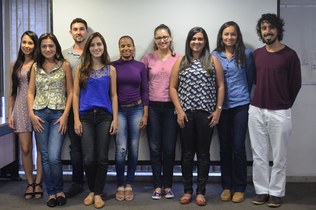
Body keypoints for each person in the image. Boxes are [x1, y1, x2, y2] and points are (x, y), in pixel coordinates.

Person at [249, 13, 301, 208]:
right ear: (260, 32)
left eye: (270, 27)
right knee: (259, 155)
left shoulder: (290, 55)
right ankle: (262, 191)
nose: (267, 31)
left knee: (279, 156)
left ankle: (277, 193)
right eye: (263, 28)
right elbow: (254, 81)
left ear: (278, 30)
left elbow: (295, 84)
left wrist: (284, 102)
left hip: (280, 111)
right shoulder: (257, 55)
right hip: (256, 110)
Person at [170, 26, 225, 206]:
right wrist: (179, 110)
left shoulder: (213, 60)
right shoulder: (181, 61)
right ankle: (187, 191)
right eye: (194, 39)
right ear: (189, 41)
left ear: (205, 42)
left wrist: (218, 110)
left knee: (203, 154)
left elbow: (220, 86)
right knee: (186, 154)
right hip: (185, 114)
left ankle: (201, 192)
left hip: (206, 115)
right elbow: (172, 88)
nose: (197, 42)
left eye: (200, 39)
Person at [73, 32, 118, 209]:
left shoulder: (110, 69)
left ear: (104, 47)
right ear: (88, 48)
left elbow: (114, 95)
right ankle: (92, 190)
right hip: (85, 116)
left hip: (104, 117)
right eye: (93, 45)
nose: (96, 48)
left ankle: (98, 193)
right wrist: (76, 119)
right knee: (89, 158)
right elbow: (75, 95)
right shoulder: (80, 69)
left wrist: (115, 119)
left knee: (102, 157)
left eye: (99, 44)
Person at [27, 33, 73, 207]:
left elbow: (70, 92)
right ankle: (51, 193)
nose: (47, 49)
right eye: (44, 46)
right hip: (39, 115)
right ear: (40, 48)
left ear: (56, 47)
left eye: (51, 46)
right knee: (45, 156)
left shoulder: (65, 65)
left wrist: (65, 116)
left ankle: (60, 189)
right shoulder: (35, 66)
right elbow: (31, 92)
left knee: (54, 157)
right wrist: (31, 114)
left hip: (57, 115)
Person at [212, 21, 254, 203]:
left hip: (240, 105)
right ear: (221, 36)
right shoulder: (214, 55)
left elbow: (250, 79)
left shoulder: (246, 54)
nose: (229, 37)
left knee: (238, 147)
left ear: (238, 36)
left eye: (233, 34)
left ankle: (239, 187)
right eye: (226, 34)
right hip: (221, 107)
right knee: (225, 147)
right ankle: (226, 186)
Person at [141, 24, 179, 200]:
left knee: (170, 149)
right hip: (153, 108)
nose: (162, 40)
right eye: (158, 37)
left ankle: (168, 185)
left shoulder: (179, 58)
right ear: (155, 40)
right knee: (155, 147)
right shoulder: (147, 59)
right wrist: (144, 110)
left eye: (165, 37)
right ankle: (157, 185)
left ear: (170, 38)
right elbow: (143, 85)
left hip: (172, 107)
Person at [111, 35, 149, 201]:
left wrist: (145, 113)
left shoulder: (140, 66)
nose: (126, 48)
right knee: (121, 149)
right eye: (122, 46)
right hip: (118, 111)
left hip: (137, 110)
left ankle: (129, 183)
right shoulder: (112, 66)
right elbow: (110, 92)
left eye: (129, 46)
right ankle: (120, 183)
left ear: (133, 48)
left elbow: (145, 91)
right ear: (119, 48)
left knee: (134, 148)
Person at [8, 31, 43, 200]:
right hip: (21, 108)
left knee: (42, 149)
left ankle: (39, 182)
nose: (27, 46)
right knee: (26, 148)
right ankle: (29, 183)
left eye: (30, 43)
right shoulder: (14, 65)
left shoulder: (40, 64)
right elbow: (12, 92)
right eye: (24, 42)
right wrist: (9, 114)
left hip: (40, 107)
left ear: (35, 45)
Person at [62, 17, 89, 198]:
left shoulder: (95, 51)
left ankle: (95, 183)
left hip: (91, 106)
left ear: (86, 32)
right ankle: (78, 182)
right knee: (76, 148)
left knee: (91, 147)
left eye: (81, 29)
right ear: (70, 32)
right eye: (75, 29)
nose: (78, 32)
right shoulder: (63, 55)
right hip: (71, 106)